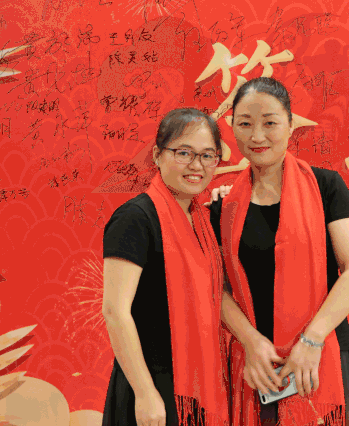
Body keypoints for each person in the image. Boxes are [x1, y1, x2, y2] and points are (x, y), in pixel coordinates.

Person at [208, 77, 349, 426]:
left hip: (320, 356)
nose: (257, 136)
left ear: (291, 125)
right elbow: (216, 288)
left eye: (270, 123)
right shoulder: (223, 207)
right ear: (232, 127)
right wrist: (251, 342)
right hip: (256, 366)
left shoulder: (326, 186)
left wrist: (312, 340)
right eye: (245, 124)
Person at [102, 108, 230, 426]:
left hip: (197, 387)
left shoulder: (204, 221)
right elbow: (115, 311)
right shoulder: (135, 218)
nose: (196, 165)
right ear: (158, 155)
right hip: (149, 387)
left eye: (207, 155)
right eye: (184, 153)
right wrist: (145, 393)